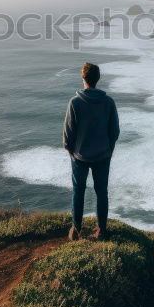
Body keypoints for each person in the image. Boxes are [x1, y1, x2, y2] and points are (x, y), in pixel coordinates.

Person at [62, 62, 120, 240]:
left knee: (78, 191)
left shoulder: (76, 102)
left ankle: (76, 230)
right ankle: (102, 230)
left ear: (83, 78)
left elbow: (68, 132)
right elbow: (114, 131)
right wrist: (108, 149)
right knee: (101, 192)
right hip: (103, 155)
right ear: (98, 79)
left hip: (80, 156)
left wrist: (71, 150)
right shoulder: (108, 102)